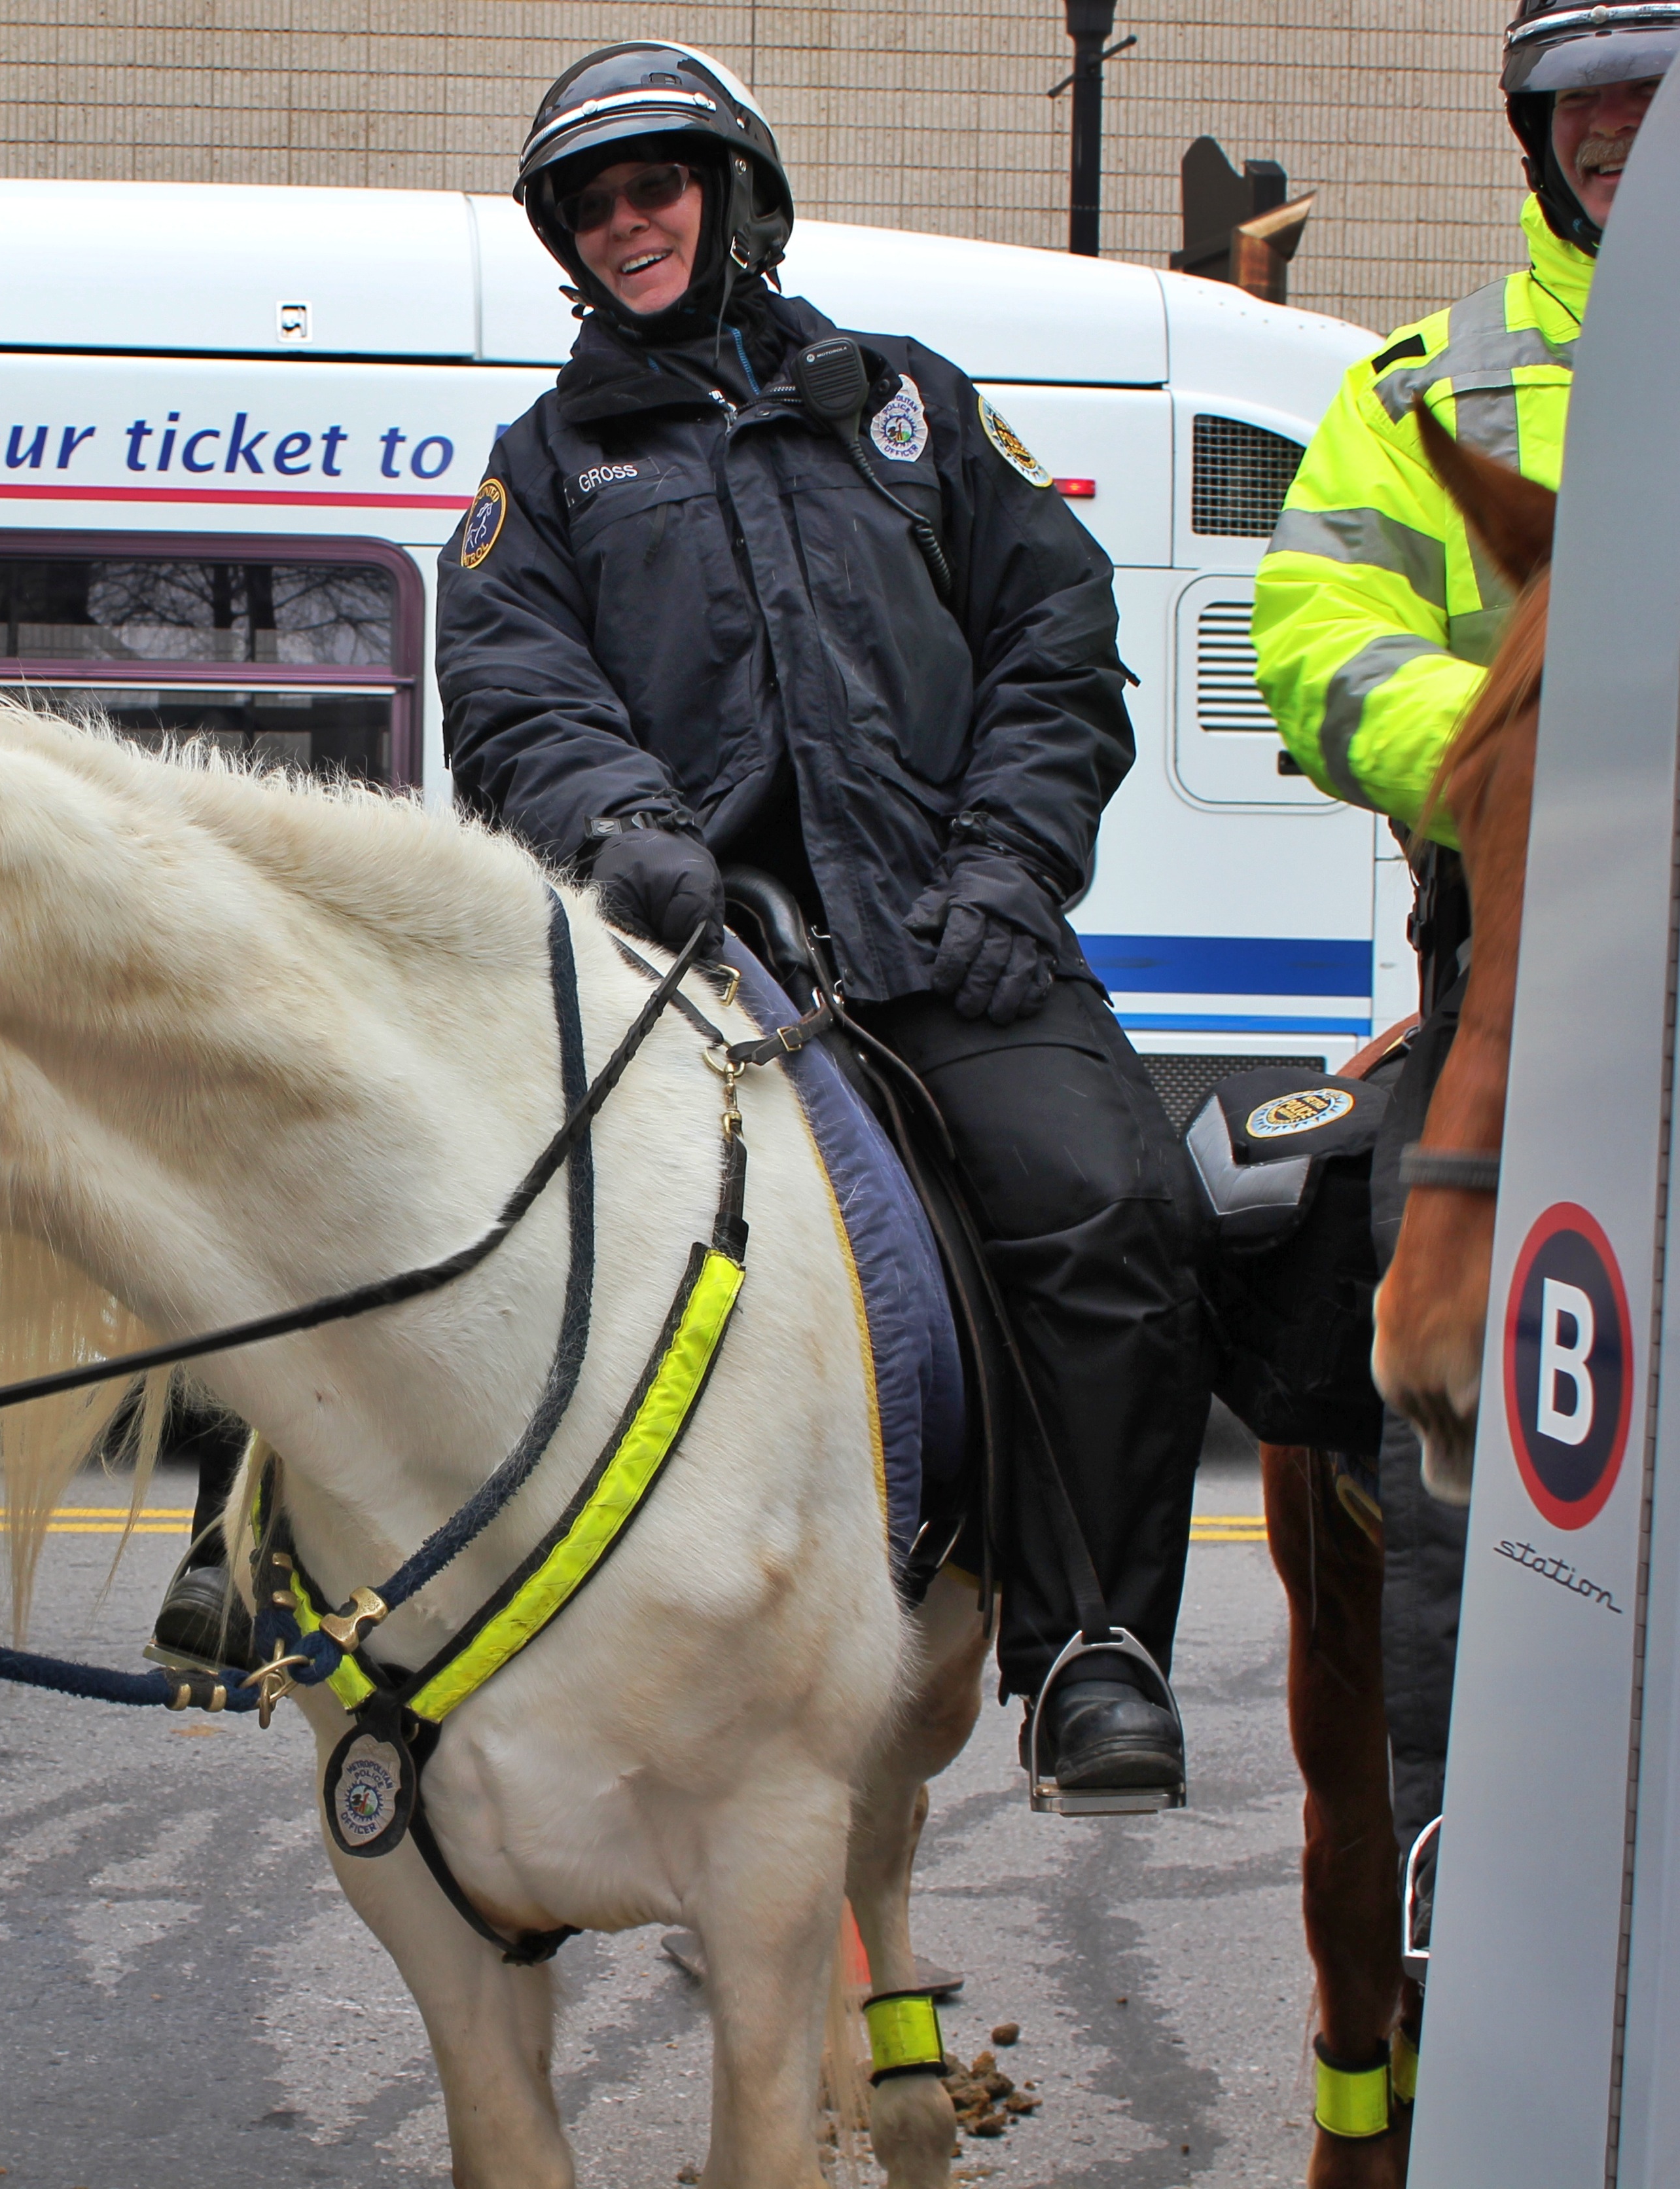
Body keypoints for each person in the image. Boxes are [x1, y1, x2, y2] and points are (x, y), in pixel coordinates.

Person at [413, 41, 1215, 1800]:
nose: (629, 225)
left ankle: (1089, 1644)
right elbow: (510, 687)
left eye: (657, 188)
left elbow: (1054, 643)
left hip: (946, 940)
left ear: (733, 198)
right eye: (595, 205)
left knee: (1111, 1205)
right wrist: (620, 824)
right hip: (684, 962)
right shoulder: (543, 468)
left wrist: (1008, 861)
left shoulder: (904, 405)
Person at [1254, 0, 1680, 1883]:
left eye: (1654, 89)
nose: (1611, 125)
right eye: (1575, 96)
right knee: (1396, 1326)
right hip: (1518, 948)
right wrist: (1524, 761)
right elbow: (1314, 637)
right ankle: (1455, 1862)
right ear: (1529, 129)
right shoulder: (1425, 380)